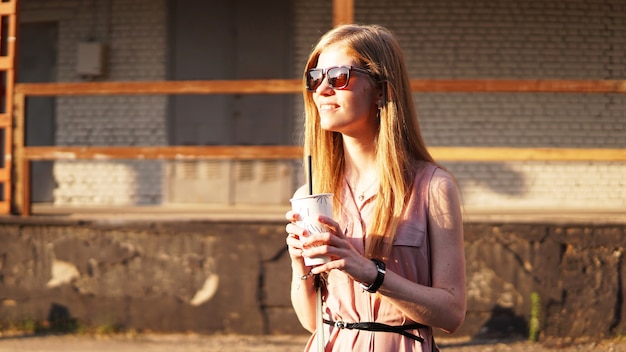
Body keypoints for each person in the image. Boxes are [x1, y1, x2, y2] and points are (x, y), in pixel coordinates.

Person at [285, 24, 466, 352]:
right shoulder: (310, 195)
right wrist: (300, 265)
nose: (322, 89)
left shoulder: (433, 187)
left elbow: (451, 314)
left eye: (339, 76)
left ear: (381, 90)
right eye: (315, 77)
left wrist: (369, 272)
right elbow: (312, 321)